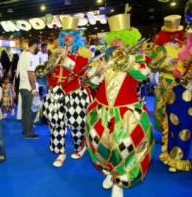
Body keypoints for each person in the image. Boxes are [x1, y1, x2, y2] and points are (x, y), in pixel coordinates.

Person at [85, 11, 155, 197]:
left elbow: (142, 75)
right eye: (113, 39)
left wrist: (126, 59)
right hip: (100, 111)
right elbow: (90, 83)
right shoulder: (102, 58)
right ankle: (109, 172)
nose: (116, 42)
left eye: (120, 39)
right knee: (100, 144)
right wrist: (97, 72)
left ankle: (120, 182)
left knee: (124, 148)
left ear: (128, 40)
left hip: (126, 114)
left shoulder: (138, 58)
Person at [43, 16, 94, 167]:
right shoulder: (56, 52)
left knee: (77, 123)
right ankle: (60, 152)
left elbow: (79, 71)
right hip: (55, 93)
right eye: (64, 35)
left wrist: (65, 58)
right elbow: (50, 72)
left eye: (70, 35)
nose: (66, 38)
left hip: (75, 93)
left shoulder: (83, 53)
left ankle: (80, 146)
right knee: (56, 123)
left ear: (76, 37)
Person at [159, 13, 192, 172]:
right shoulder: (183, 50)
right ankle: (175, 156)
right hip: (176, 88)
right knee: (176, 121)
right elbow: (178, 68)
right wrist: (174, 67)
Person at [150, 15, 185, 132]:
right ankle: (166, 133)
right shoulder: (159, 48)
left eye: (177, 33)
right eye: (171, 33)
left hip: (182, 84)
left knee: (180, 110)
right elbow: (152, 66)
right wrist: (168, 61)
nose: (174, 36)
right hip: (165, 83)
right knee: (164, 109)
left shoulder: (184, 47)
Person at [16, 38, 41, 139]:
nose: (39, 48)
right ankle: (28, 133)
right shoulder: (29, 56)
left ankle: (26, 130)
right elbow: (30, 73)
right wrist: (34, 89)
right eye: (39, 46)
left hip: (24, 86)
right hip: (28, 87)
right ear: (35, 44)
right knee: (29, 111)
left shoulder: (23, 54)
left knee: (26, 110)